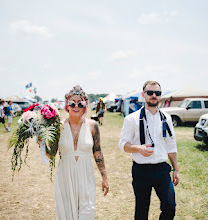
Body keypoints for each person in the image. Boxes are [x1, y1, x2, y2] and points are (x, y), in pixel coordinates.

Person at [46, 85, 109, 220]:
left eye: (80, 103)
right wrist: (43, 142)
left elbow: (97, 152)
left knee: (87, 213)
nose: (76, 106)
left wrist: (104, 177)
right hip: (65, 177)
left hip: (86, 176)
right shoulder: (58, 127)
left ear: (85, 106)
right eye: (72, 103)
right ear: (66, 105)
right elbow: (50, 155)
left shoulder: (93, 125)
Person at [119, 80, 180, 220]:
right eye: (150, 92)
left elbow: (171, 145)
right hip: (141, 170)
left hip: (162, 170)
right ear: (143, 94)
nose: (154, 95)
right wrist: (138, 149)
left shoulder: (167, 118)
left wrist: (176, 169)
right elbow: (122, 144)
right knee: (141, 210)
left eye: (157, 93)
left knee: (170, 207)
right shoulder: (131, 119)